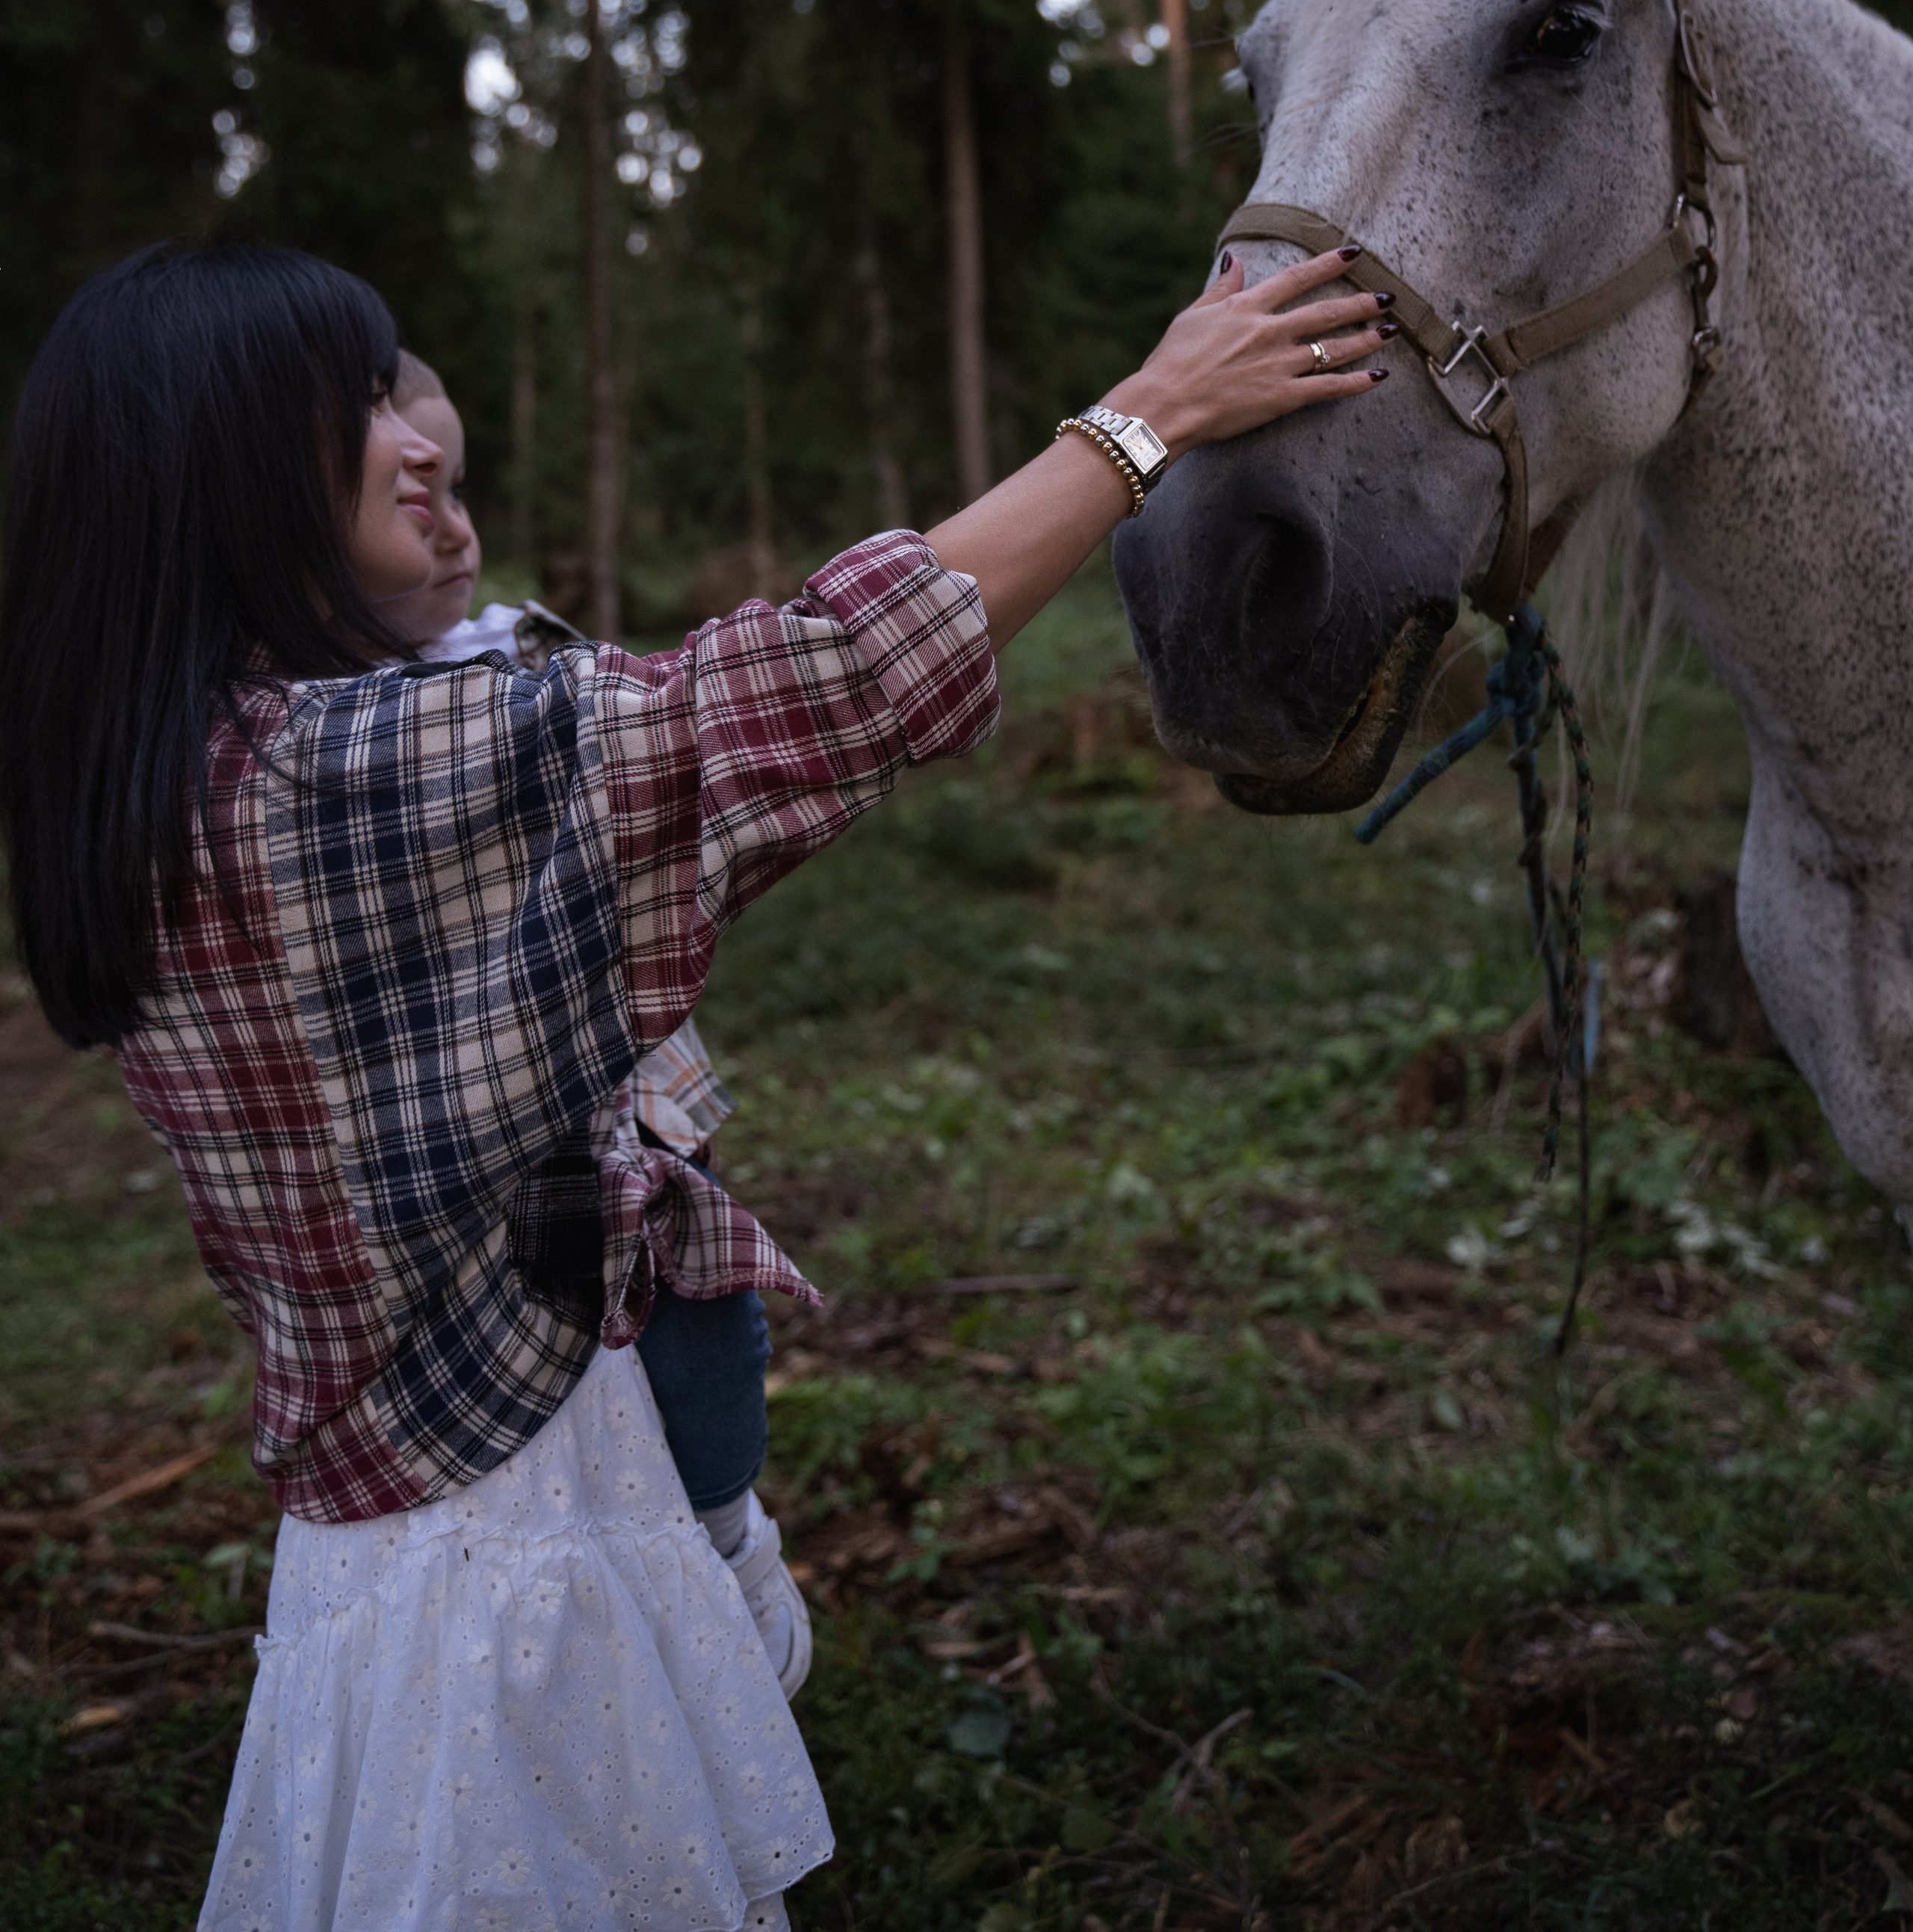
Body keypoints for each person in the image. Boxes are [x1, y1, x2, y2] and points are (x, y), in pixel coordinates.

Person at [0, 238, 1387, 1932]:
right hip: (511, 1571)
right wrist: (1140, 423)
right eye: (351, 404)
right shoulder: (327, 783)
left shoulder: (189, 781)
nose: (420, 436)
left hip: (411, 1549)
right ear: (213, 475)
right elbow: (805, 688)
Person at [383, 347, 809, 1691]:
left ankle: (726, 1527)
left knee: (701, 1311)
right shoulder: (315, 733)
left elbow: (664, 761)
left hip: (625, 1107)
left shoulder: (523, 660)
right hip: (475, 1156)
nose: (458, 529)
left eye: (462, 488)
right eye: (416, 500)